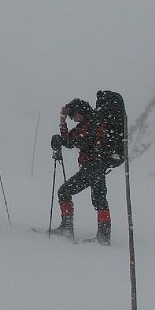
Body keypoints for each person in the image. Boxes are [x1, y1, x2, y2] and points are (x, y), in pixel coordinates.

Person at [50, 98, 112, 244]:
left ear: (80, 112)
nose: (72, 118)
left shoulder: (91, 124)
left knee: (66, 192)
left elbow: (73, 141)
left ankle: (67, 227)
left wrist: (62, 133)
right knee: (99, 200)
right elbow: (70, 140)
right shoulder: (88, 124)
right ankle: (103, 236)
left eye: (73, 115)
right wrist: (62, 121)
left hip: (92, 167)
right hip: (95, 168)